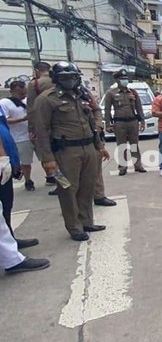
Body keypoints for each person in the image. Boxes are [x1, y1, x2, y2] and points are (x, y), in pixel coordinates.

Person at [33, 62, 111, 241]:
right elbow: (41, 131)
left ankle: (86, 221)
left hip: (88, 148)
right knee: (67, 189)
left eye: (73, 77)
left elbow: (91, 122)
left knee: (88, 187)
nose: (70, 80)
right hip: (64, 153)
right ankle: (74, 227)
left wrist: (99, 146)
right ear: (56, 79)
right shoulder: (46, 99)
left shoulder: (81, 95)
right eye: (65, 77)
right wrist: (47, 158)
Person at [0, 104, 39, 249]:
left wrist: (14, 161)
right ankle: (8, 252)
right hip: (2, 161)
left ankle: (9, 239)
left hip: (6, 159)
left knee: (6, 206)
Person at [79, 84, 117, 207]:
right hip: (61, 146)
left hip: (91, 140)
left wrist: (98, 126)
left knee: (96, 169)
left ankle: (99, 195)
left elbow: (96, 110)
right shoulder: (48, 98)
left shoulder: (83, 93)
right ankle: (68, 202)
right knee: (64, 179)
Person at [103, 69, 146, 176]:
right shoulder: (111, 93)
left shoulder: (133, 92)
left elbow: (139, 108)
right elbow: (107, 110)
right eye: (122, 79)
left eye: (126, 78)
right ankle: (122, 167)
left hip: (133, 121)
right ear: (117, 80)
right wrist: (108, 124)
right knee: (121, 145)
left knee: (134, 144)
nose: (124, 81)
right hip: (119, 122)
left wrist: (142, 121)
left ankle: (138, 165)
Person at [26, 61, 58, 193]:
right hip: (62, 123)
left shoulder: (35, 84)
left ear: (36, 71)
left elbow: (31, 109)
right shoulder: (57, 79)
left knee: (52, 157)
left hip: (45, 125)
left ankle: (61, 185)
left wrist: (32, 129)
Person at [1, 81, 35, 191]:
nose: (22, 96)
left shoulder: (28, 100)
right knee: (25, 163)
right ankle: (28, 180)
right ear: (12, 91)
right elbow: (4, 120)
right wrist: (23, 119)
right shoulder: (4, 103)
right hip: (18, 137)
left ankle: (54, 179)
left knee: (48, 160)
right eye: (20, 94)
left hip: (34, 135)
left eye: (24, 93)